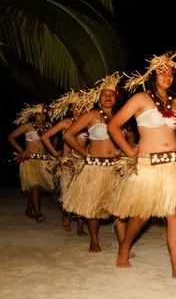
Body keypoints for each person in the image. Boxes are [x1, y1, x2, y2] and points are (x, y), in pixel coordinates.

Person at [105, 49, 176, 283]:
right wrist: (129, 150)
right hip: (149, 164)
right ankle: (124, 247)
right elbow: (114, 126)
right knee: (142, 215)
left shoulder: (175, 103)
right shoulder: (140, 99)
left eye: (170, 74)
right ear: (152, 75)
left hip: (174, 164)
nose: (167, 77)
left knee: (175, 214)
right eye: (162, 73)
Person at [61, 73, 127, 253]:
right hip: (95, 167)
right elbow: (68, 135)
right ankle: (95, 240)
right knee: (94, 207)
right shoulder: (91, 115)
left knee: (119, 207)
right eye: (104, 94)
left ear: (116, 97)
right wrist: (83, 153)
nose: (107, 97)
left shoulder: (120, 117)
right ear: (99, 97)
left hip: (115, 167)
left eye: (111, 94)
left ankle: (123, 245)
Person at [42, 90, 92, 235]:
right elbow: (45, 137)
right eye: (75, 106)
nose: (78, 109)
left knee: (82, 193)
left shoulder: (88, 124)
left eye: (81, 106)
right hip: (68, 162)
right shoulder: (65, 123)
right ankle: (66, 216)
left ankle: (81, 225)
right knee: (68, 191)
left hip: (82, 162)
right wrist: (55, 153)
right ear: (71, 108)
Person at [7, 103, 55, 222]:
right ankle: (38, 214)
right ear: (34, 115)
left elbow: (55, 138)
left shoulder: (49, 126)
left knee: (37, 187)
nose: (41, 117)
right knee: (35, 186)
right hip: (31, 160)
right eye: (39, 115)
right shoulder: (27, 126)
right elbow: (11, 137)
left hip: (43, 160)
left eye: (44, 115)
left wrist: (52, 151)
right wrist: (21, 150)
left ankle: (29, 211)